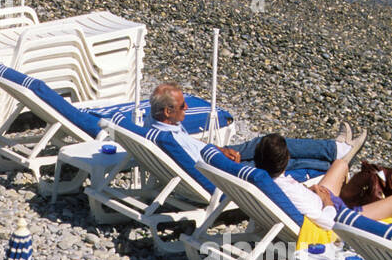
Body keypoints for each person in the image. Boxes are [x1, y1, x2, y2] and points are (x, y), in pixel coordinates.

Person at [254, 133, 389, 260]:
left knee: (340, 164)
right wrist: (328, 202)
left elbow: (296, 199)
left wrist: (309, 191)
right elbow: (327, 223)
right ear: (286, 159)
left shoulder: (265, 180)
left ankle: (345, 148)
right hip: (340, 219)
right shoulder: (287, 190)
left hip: (315, 201)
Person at [149, 82, 366, 174]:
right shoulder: (170, 138)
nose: (187, 108)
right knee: (273, 154)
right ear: (167, 112)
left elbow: (193, 149)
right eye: (181, 106)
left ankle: (336, 152)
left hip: (213, 156)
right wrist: (220, 155)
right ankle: (337, 158)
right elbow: (197, 160)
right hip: (219, 169)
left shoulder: (154, 128)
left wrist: (217, 149)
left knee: (266, 143)